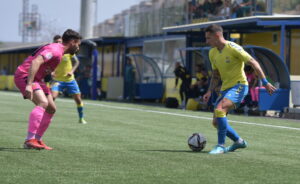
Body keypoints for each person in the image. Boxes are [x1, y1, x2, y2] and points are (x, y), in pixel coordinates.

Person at [202, 24, 276, 154]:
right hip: (225, 88)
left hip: (239, 86)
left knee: (220, 110)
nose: (206, 41)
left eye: (208, 38)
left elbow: (253, 62)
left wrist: (264, 82)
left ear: (217, 36)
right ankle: (239, 142)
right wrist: (209, 90)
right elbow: (215, 74)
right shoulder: (212, 52)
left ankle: (221, 145)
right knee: (216, 122)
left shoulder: (233, 48)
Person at [14, 29, 82, 150]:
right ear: (72, 42)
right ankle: (29, 140)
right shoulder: (55, 50)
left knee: (51, 108)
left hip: (38, 79)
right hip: (25, 75)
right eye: (78, 44)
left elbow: (44, 67)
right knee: (43, 103)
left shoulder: (60, 52)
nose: (78, 48)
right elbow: (36, 62)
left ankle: (38, 140)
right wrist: (29, 84)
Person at [51, 35, 87, 124]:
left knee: (78, 100)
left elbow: (77, 62)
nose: (58, 43)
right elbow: (48, 64)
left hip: (70, 80)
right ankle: (48, 116)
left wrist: (72, 71)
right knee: (52, 97)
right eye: (56, 42)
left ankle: (81, 118)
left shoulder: (68, 52)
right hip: (57, 80)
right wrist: (51, 71)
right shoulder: (53, 53)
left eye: (60, 41)